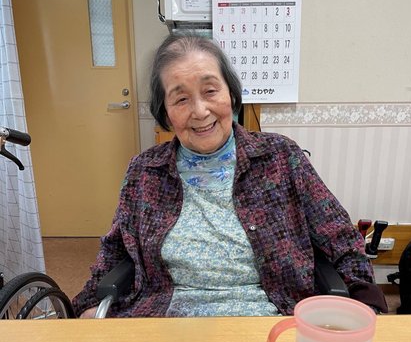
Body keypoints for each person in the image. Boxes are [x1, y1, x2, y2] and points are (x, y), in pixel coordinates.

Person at [72, 32, 387, 318]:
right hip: (166, 324)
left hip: (266, 321)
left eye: (210, 91)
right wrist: (87, 305)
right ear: (165, 111)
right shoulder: (145, 172)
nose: (200, 111)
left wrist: (366, 302)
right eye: (181, 99)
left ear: (231, 94)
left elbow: (341, 239)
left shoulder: (280, 157)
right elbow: (115, 251)